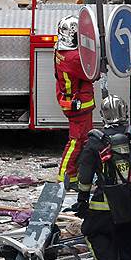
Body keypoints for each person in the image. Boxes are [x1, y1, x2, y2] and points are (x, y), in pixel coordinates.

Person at [73, 95, 131, 260]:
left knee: (93, 234)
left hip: (103, 212)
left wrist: (82, 201)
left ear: (103, 115)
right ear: (125, 112)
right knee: (129, 252)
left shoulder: (95, 141)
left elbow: (85, 176)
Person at [54, 15, 96, 190]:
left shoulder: (60, 49)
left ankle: (74, 174)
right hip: (78, 104)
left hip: (72, 101)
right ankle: (65, 176)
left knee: (83, 141)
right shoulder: (73, 58)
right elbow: (92, 74)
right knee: (76, 141)